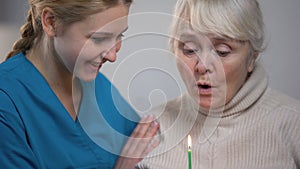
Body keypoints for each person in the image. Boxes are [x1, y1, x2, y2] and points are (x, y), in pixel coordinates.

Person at [137, 0, 300, 168]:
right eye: (190, 49)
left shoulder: (293, 123)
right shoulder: (154, 126)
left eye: (222, 51)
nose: (202, 66)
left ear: (252, 57)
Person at [0, 0, 159, 169]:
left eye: (119, 36)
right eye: (99, 39)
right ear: (51, 22)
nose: (113, 56)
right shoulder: (8, 102)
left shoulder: (99, 88)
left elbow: (153, 151)